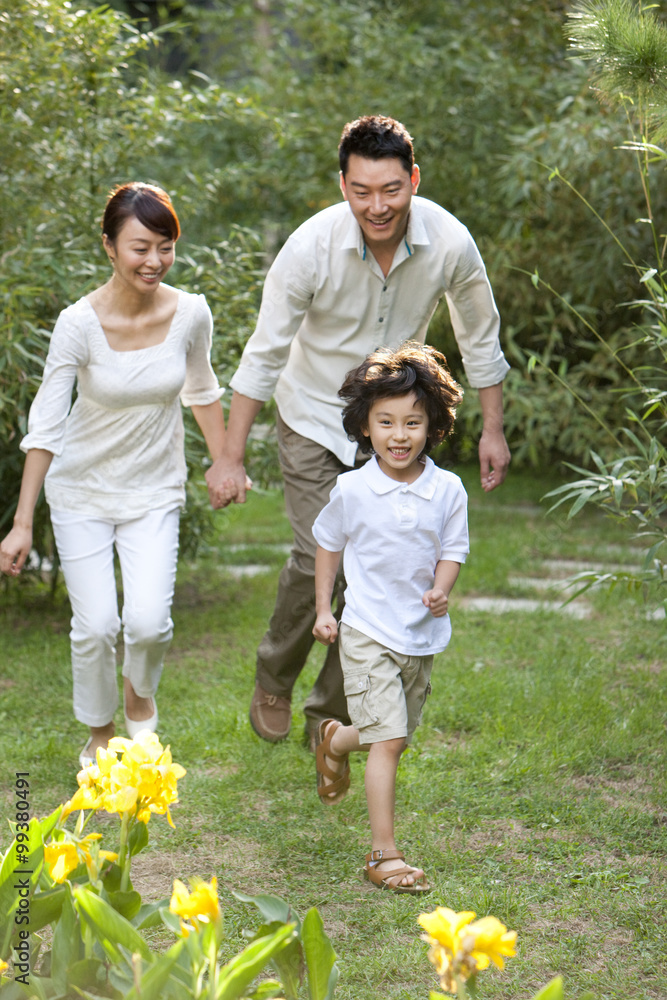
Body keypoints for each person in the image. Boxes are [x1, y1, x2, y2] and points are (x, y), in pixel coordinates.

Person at [206, 114, 509, 748]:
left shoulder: (451, 243)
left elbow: (481, 340)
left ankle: (329, 715)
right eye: (362, 190)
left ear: (414, 180)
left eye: (392, 189)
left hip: (391, 425)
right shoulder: (311, 246)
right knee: (320, 557)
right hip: (313, 416)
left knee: (379, 567)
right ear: (342, 184)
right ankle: (274, 674)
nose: (378, 205)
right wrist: (230, 457)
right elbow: (263, 355)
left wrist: (493, 431)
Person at [0, 182, 228, 769]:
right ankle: (101, 732)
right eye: (140, 247)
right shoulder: (78, 323)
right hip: (80, 490)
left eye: (166, 247)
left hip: (153, 488)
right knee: (96, 625)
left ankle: (139, 700)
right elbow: (47, 425)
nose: (155, 261)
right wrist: (23, 523)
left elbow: (202, 390)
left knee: (149, 623)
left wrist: (225, 461)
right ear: (109, 247)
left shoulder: (190, 314)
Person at [312, 342, 467, 893]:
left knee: (391, 732)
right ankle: (384, 856)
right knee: (390, 742)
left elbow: (454, 549)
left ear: (432, 426)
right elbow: (327, 545)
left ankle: (333, 741)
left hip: (419, 634)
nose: (399, 435)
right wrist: (323, 608)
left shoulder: (447, 489)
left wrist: (440, 590)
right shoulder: (352, 489)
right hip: (366, 628)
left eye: (412, 423)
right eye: (386, 422)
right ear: (365, 426)